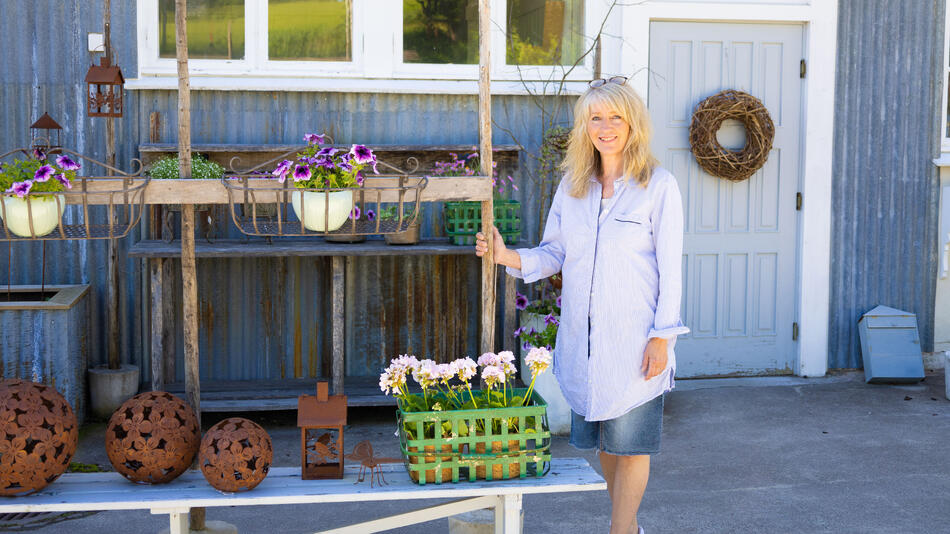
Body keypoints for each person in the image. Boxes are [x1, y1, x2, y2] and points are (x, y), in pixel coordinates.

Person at [475, 76, 688, 534]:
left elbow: (672, 271)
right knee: (609, 445)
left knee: (632, 446)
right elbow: (554, 253)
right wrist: (505, 256)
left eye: (616, 117)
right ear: (584, 125)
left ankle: (620, 530)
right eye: (596, 117)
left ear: (633, 124)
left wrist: (662, 337)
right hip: (584, 340)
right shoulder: (573, 187)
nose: (606, 127)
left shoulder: (659, 186)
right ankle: (628, 527)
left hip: (636, 340)